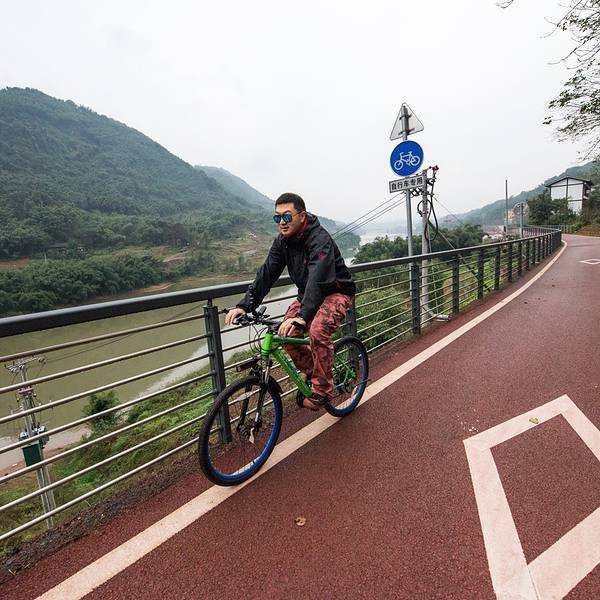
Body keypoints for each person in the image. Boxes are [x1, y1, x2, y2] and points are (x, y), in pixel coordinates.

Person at [225, 192, 356, 410]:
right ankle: (316, 375)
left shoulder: (319, 239)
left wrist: (303, 317)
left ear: (302, 216)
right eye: (277, 218)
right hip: (308, 293)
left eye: (286, 217)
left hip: (335, 291)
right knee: (286, 334)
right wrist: (244, 305)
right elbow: (267, 273)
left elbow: (318, 278)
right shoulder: (282, 242)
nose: (281, 223)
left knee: (317, 331)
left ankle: (323, 390)